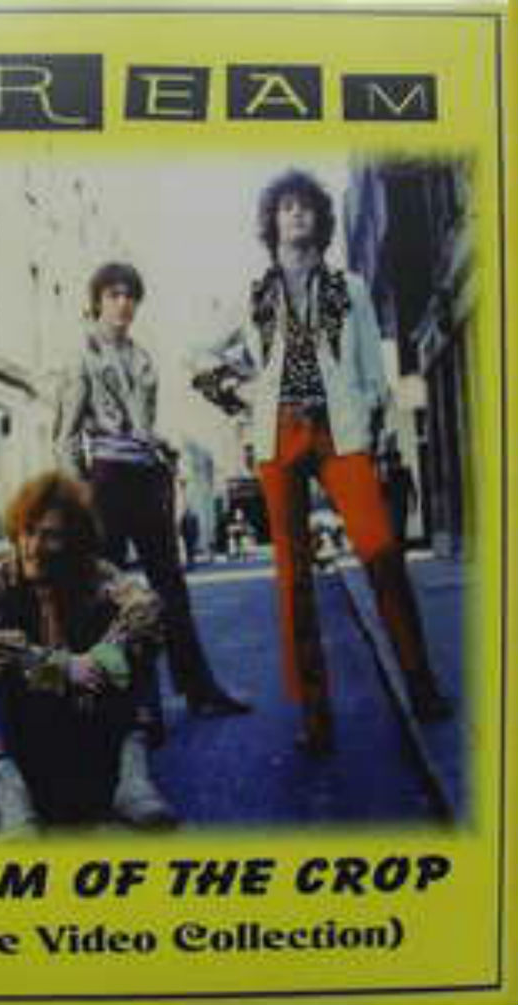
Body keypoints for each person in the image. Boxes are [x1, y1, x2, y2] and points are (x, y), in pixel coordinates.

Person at [193, 170, 450, 753]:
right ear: (272, 221)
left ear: (320, 219)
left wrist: (370, 422)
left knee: (382, 554)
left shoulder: (348, 288)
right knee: (293, 579)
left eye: (306, 206)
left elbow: (371, 370)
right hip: (278, 433)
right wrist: (238, 389)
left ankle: (421, 683)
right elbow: (198, 355)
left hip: (340, 430)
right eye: (285, 207)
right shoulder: (253, 292)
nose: (296, 214)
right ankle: (314, 715)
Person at [54, 262, 250, 719]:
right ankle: (107, 697)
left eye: (130, 296)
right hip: (106, 480)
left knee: (171, 587)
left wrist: (161, 448)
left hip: (147, 477)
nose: (123, 303)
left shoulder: (142, 357)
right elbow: (65, 438)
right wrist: (78, 497)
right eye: (114, 295)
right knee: (106, 590)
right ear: (98, 301)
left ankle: (199, 688)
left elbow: (141, 425)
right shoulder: (81, 355)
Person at [0, 471, 175, 838]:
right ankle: (11, 794)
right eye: (27, 532)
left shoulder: (95, 572)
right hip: (31, 724)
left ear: (74, 538)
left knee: (143, 643)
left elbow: (146, 607)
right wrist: (56, 664)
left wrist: (107, 652)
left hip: (90, 718)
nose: (33, 546)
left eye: (49, 535)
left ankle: (133, 778)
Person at [381, 448, 419, 546]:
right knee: (392, 530)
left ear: (400, 461)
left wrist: (414, 504)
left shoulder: (406, 473)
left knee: (401, 529)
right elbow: (382, 492)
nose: (395, 464)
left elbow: (412, 489)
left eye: (397, 461)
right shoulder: (387, 474)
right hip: (390, 507)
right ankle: (396, 546)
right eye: (393, 462)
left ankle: (400, 546)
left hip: (402, 505)